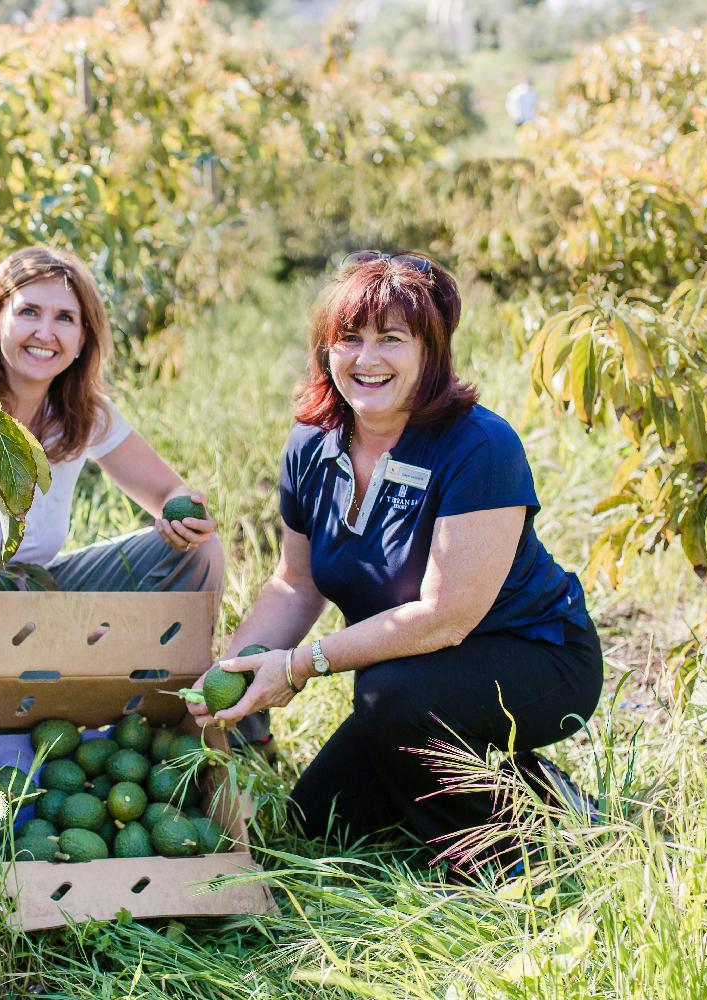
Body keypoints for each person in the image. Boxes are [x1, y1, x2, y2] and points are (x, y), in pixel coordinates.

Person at [188, 251, 602, 878]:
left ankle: (503, 863)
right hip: (418, 672)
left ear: (429, 352)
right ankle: (534, 790)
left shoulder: (478, 445)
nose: (367, 358)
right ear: (326, 350)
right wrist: (237, 671)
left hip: (533, 654)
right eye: (348, 338)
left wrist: (301, 666)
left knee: (391, 697)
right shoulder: (311, 444)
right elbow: (295, 585)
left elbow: (444, 619)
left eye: (391, 339)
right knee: (319, 822)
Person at [0, 246, 224, 683]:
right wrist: (50, 633)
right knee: (51, 667)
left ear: (82, 340)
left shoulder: (82, 415)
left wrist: (185, 517)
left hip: (33, 591)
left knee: (201, 551)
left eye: (65, 318)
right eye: (29, 312)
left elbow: (167, 493)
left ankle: (177, 699)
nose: (46, 332)